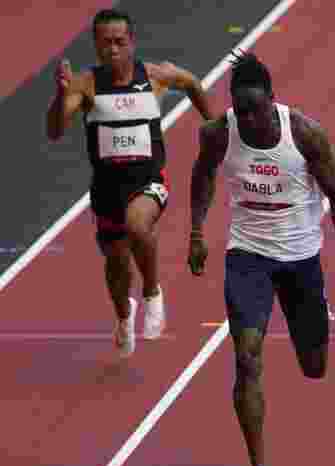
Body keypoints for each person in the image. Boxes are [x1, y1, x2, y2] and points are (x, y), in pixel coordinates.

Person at [188, 52, 335, 466]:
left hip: (301, 259)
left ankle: (317, 314)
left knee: (314, 367)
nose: (248, 119)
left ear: (273, 101)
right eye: (240, 110)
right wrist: (196, 231)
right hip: (247, 256)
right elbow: (202, 177)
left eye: (256, 109)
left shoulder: (303, 134)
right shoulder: (218, 133)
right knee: (247, 357)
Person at [46, 8, 214, 357]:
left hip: (148, 181)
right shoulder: (85, 84)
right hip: (107, 188)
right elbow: (55, 131)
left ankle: (152, 293)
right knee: (116, 266)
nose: (113, 49)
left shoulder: (155, 76)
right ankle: (124, 316)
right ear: (95, 45)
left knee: (138, 225)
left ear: (132, 42)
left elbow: (193, 83)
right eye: (105, 43)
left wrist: (214, 126)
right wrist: (60, 96)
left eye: (119, 42)